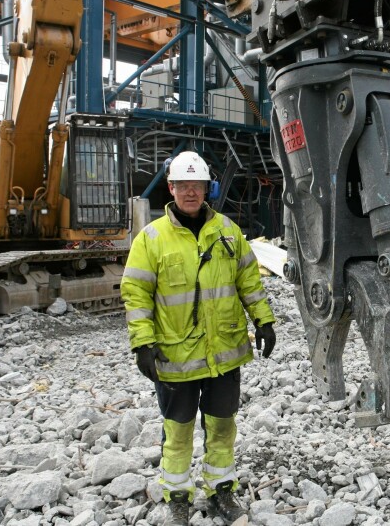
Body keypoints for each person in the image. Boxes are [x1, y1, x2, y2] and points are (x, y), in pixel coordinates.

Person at [120, 151, 277, 525]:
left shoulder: (228, 232)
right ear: (170, 188)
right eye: (183, 185)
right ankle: (177, 497)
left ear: (208, 188)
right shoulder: (151, 239)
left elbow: (249, 282)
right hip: (176, 357)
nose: (191, 192)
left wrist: (264, 321)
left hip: (224, 352)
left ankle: (221, 491)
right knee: (177, 430)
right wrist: (142, 343)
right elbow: (136, 293)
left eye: (198, 186)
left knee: (222, 425)